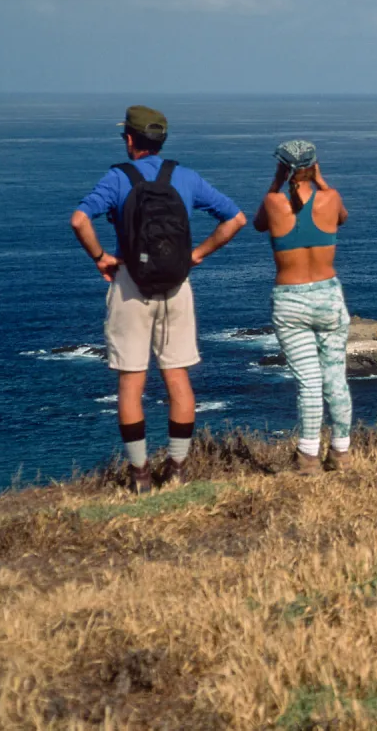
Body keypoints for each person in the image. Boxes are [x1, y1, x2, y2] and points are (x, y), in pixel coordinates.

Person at [71, 105, 246, 493]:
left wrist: (101, 257)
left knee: (131, 383)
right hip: (176, 287)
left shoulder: (118, 178)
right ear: (161, 140)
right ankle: (178, 469)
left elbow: (79, 220)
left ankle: (140, 475)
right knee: (177, 377)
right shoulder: (185, 177)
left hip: (131, 286)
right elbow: (236, 219)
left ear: (129, 139)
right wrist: (196, 255)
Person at [253, 140, 353, 476]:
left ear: (283, 168)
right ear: (314, 166)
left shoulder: (273, 202)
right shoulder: (331, 198)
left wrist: (276, 181)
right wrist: (321, 182)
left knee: (309, 382)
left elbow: (259, 224)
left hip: (290, 300)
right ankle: (341, 453)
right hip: (328, 297)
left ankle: (308, 459)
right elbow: (342, 218)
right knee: (335, 378)